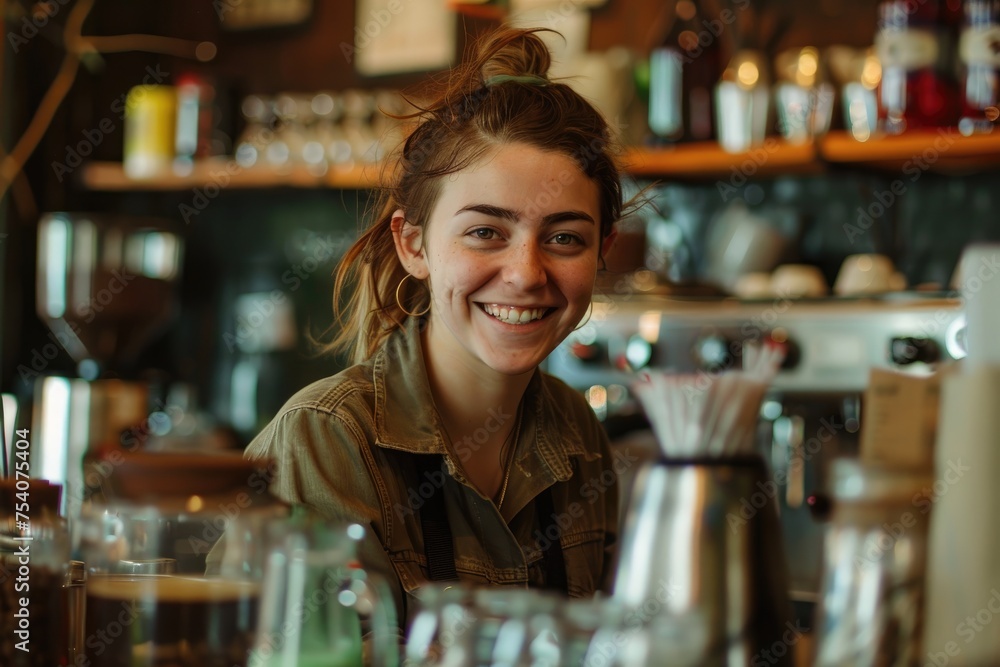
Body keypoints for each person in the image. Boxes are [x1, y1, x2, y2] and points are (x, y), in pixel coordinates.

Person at [246, 26, 628, 629]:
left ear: (603, 249)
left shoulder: (578, 434)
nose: (526, 275)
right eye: (485, 232)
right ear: (414, 245)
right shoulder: (323, 442)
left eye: (564, 238)